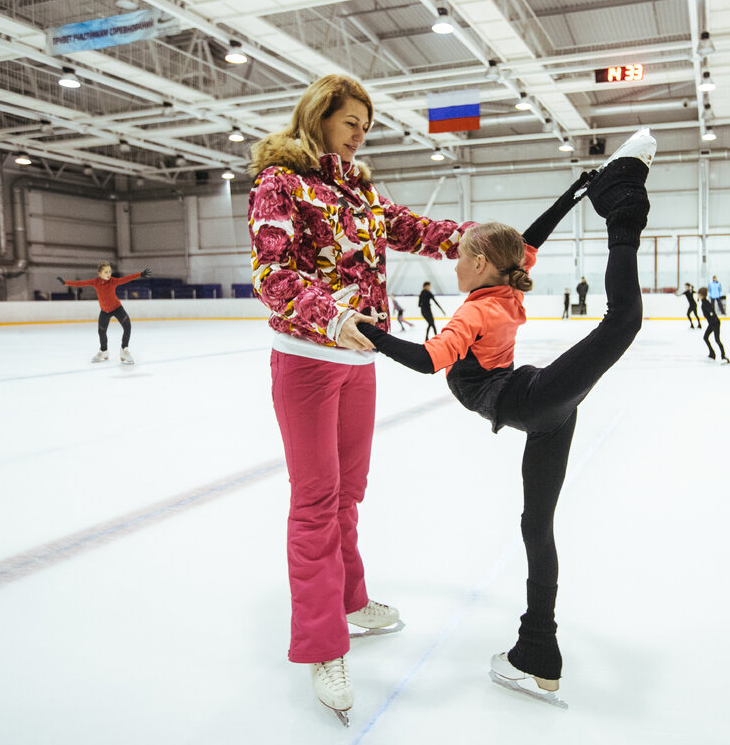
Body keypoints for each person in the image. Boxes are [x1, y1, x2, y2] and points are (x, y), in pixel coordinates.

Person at [351, 129, 656, 706]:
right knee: (535, 527)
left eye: (458, 256)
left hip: (531, 401)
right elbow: (528, 241)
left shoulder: (474, 310)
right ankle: (536, 649)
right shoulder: (507, 283)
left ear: (479, 261)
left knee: (622, 323)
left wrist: (369, 330)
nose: (453, 265)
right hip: (546, 413)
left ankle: (626, 210)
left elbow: (424, 361)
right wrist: (572, 192)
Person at [246, 73, 473, 726]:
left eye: (366, 126)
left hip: (361, 358)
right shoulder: (280, 184)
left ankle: (350, 600)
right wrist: (329, 315)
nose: (359, 134)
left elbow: (413, 230)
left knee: (349, 494)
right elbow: (272, 271)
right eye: (351, 122)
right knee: (315, 503)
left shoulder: (362, 191)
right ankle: (323, 644)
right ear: (319, 117)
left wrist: (479, 239)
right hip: (310, 359)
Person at [58, 262, 150, 364]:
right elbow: (81, 283)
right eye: (106, 272)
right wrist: (65, 283)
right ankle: (104, 351)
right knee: (101, 332)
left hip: (117, 308)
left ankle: (124, 350)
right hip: (105, 311)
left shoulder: (113, 281)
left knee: (127, 326)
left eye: (110, 271)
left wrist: (139, 274)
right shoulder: (95, 282)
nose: (109, 274)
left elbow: (125, 279)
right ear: (99, 273)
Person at [698, 286, 728, 363]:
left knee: (717, 340)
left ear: (701, 294)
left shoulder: (705, 303)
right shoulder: (704, 302)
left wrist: (713, 322)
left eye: (698, 294)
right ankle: (712, 354)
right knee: (705, 337)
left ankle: (724, 356)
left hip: (715, 323)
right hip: (712, 323)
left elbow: (712, 313)